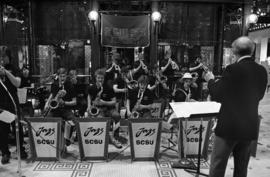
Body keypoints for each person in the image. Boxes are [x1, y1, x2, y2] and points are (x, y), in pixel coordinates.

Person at [204, 36, 268, 177]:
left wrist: (210, 80)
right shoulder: (262, 71)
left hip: (229, 127)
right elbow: (260, 96)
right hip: (249, 127)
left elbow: (217, 94)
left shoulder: (233, 69)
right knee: (241, 168)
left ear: (234, 51)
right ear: (252, 51)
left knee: (218, 166)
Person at [0, 48, 27, 164]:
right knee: (2, 130)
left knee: (17, 128)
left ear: (8, 57)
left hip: (13, 103)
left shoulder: (14, 68)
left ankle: (20, 149)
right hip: (1, 105)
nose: (1, 59)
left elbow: (18, 83)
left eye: (3, 56)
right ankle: (5, 152)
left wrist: (6, 72)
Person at [87, 69, 123, 149]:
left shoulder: (108, 87)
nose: (100, 80)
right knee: (102, 120)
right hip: (99, 109)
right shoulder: (91, 87)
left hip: (109, 108)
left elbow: (114, 102)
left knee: (117, 116)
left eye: (102, 78)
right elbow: (89, 96)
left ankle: (116, 136)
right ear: (95, 78)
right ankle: (104, 138)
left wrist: (104, 102)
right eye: (98, 78)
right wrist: (89, 106)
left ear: (104, 78)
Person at [44, 67, 77, 150]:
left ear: (66, 76)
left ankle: (67, 138)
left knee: (74, 121)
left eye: (64, 76)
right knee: (47, 121)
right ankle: (52, 142)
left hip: (65, 109)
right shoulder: (54, 84)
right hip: (55, 109)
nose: (62, 78)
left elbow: (74, 102)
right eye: (61, 76)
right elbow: (52, 95)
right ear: (58, 76)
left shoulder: (70, 85)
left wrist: (64, 102)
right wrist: (47, 103)